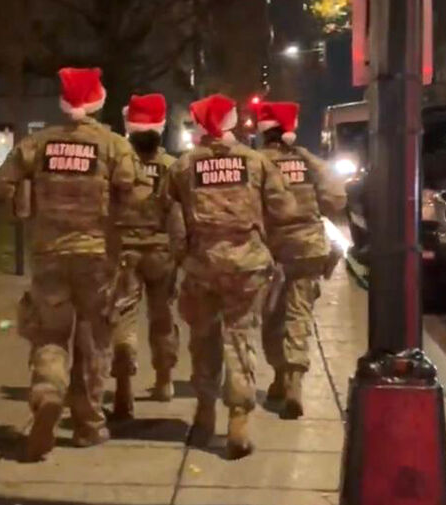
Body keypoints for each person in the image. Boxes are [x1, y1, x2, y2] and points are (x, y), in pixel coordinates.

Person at [0, 67, 141, 461]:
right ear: (98, 102)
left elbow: (2, 184)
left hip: (49, 254)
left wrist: (21, 212)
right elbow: (134, 194)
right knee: (94, 340)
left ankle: (47, 392)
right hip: (98, 257)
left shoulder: (37, 143)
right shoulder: (113, 145)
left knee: (50, 333)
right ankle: (88, 425)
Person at [161, 94, 297, 459]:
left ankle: (205, 414)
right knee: (240, 337)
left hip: (202, 267)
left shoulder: (183, 166)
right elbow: (284, 209)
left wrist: (183, 258)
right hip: (247, 265)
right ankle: (238, 419)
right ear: (232, 122)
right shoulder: (256, 162)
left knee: (203, 338)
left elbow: (171, 220)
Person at [255, 101, 347, 419]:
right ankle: (294, 379)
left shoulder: (257, 162)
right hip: (309, 248)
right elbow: (336, 199)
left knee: (271, 316)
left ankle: (280, 375)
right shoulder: (308, 161)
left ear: (263, 132)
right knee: (299, 313)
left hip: (271, 249)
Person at [111, 94, 180, 419]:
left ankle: (123, 386)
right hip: (161, 250)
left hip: (124, 249)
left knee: (123, 316)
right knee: (162, 316)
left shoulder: (119, 163)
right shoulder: (171, 166)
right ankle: (164, 380)